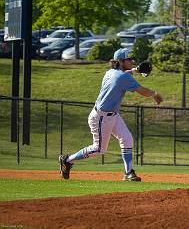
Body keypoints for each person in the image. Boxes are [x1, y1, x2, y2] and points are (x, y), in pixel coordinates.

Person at [58, 48, 163, 181]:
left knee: (127, 138)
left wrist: (135, 70)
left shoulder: (111, 72)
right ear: (120, 61)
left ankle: (128, 172)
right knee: (99, 149)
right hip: (101, 117)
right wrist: (155, 94)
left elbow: (124, 74)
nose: (132, 61)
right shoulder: (122, 76)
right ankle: (67, 160)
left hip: (111, 115)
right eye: (129, 59)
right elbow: (142, 90)